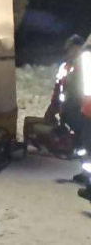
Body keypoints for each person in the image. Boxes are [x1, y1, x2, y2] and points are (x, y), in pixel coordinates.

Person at [45, 35, 87, 182]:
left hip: (84, 113)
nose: (73, 52)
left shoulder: (86, 67)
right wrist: (53, 107)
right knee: (79, 145)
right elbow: (58, 89)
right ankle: (85, 174)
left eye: (77, 49)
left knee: (87, 144)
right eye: (71, 49)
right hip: (69, 112)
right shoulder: (65, 67)